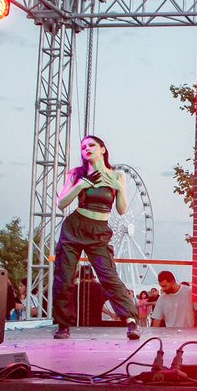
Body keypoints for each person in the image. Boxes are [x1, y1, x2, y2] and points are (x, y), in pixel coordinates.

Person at [51, 134, 140, 341]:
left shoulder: (116, 176)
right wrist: (80, 186)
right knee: (64, 278)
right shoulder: (76, 174)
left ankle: (131, 320)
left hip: (99, 230)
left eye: (91, 145)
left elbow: (122, 210)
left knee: (108, 276)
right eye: (83, 147)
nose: (87, 149)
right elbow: (61, 203)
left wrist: (120, 189)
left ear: (102, 149)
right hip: (75, 227)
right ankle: (63, 325)